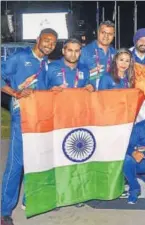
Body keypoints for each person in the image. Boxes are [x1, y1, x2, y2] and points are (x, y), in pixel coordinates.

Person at [1, 28, 58, 225]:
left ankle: (31, 199)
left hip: (39, 119)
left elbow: (44, 91)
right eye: (47, 40)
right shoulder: (20, 57)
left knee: (37, 160)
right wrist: (15, 93)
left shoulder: (47, 64)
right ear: (38, 39)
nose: (50, 45)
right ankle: (4, 211)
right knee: (16, 165)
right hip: (21, 117)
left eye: (53, 43)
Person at [79, 20, 116, 90]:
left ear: (113, 36)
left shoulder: (116, 53)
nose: (106, 36)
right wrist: (87, 83)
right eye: (103, 32)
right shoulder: (85, 51)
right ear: (98, 32)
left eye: (110, 34)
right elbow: (78, 73)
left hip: (110, 95)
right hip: (91, 95)